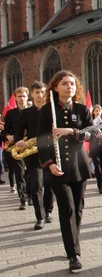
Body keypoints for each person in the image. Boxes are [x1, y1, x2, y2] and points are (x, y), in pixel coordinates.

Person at [37, 70, 93, 273]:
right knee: (67, 208)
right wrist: (49, 163)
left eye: (72, 83)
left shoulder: (81, 109)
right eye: (64, 84)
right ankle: (73, 254)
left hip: (78, 166)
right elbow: (41, 141)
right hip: (57, 168)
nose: (69, 87)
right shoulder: (47, 111)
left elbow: (92, 135)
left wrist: (72, 132)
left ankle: (72, 241)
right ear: (55, 87)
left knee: (78, 209)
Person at [14, 81, 54, 229]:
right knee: (36, 185)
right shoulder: (26, 113)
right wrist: (18, 141)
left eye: (42, 92)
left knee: (49, 184)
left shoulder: (51, 110)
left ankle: (48, 211)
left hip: (50, 151)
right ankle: (40, 216)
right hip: (33, 154)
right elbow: (18, 132)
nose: (39, 95)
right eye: (36, 92)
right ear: (32, 94)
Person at [3, 86, 29, 208]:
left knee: (31, 173)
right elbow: (5, 131)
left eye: (24, 96)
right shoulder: (10, 114)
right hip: (16, 147)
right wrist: (8, 136)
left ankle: (31, 195)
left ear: (27, 97)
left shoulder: (33, 112)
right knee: (19, 174)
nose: (22, 99)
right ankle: (23, 199)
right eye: (19, 96)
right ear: (15, 98)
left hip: (30, 146)